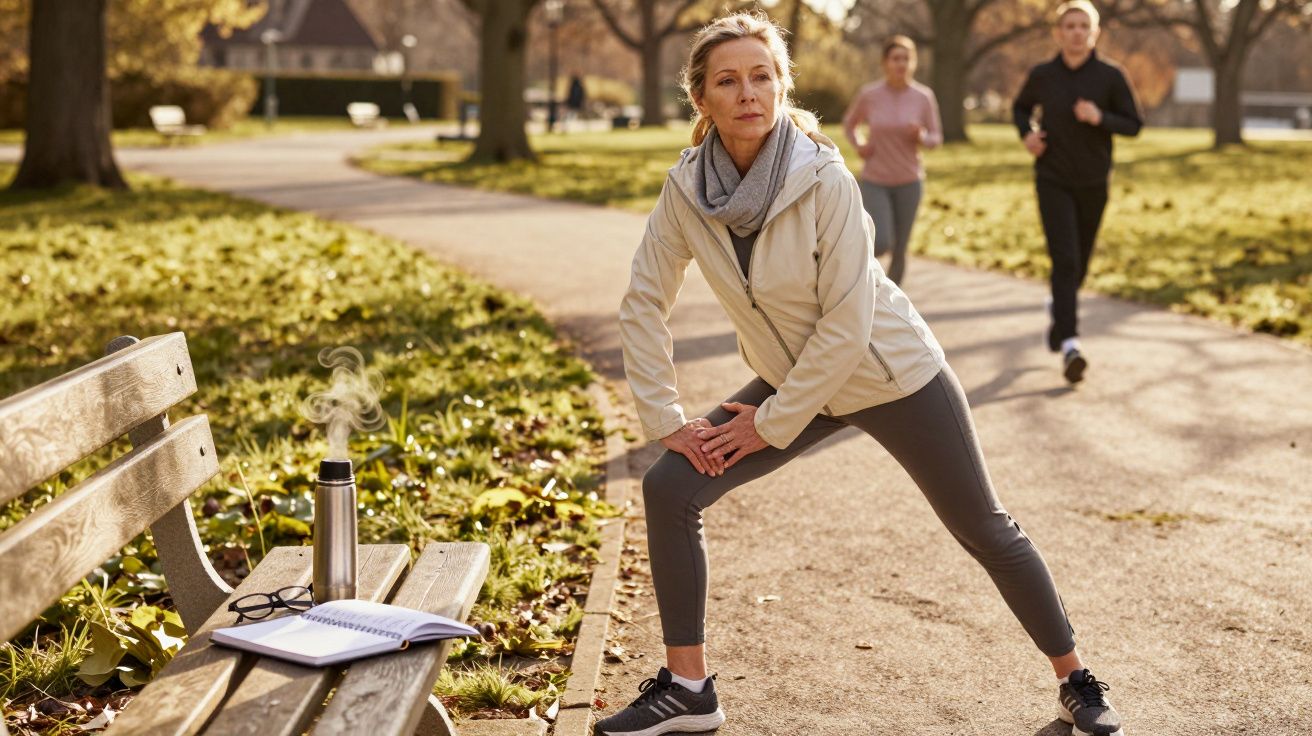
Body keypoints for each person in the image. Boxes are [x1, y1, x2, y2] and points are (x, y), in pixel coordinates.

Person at [600, 11, 1124, 736]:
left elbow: (846, 326)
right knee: (669, 485)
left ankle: (1075, 679)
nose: (748, 92)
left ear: (782, 87)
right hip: (795, 380)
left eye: (762, 76)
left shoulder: (824, 180)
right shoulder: (687, 191)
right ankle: (690, 688)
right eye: (729, 80)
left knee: (984, 528)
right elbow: (642, 304)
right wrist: (668, 421)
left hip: (891, 376)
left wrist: (768, 423)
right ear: (702, 100)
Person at [1012, 0, 1143, 384]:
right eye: (1068, 25)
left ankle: (1060, 313)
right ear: (1058, 33)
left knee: (1079, 263)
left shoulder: (1110, 76)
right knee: (1065, 259)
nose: (1075, 32)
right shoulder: (1042, 74)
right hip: (1052, 178)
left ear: (1094, 33)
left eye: (1083, 25)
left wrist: (1099, 117)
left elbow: (1135, 124)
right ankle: (1071, 344)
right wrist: (1027, 136)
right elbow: (1020, 109)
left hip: (1093, 181)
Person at [841, 35, 942, 286]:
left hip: (910, 181)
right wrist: (859, 144)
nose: (901, 64)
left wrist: (921, 135)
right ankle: (855, 279)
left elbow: (936, 137)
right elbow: (850, 124)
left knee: (900, 249)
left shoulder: (923, 96)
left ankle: (890, 305)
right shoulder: (870, 94)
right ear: (885, 62)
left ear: (913, 63)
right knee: (882, 240)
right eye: (896, 58)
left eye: (907, 58)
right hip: (876, 180)